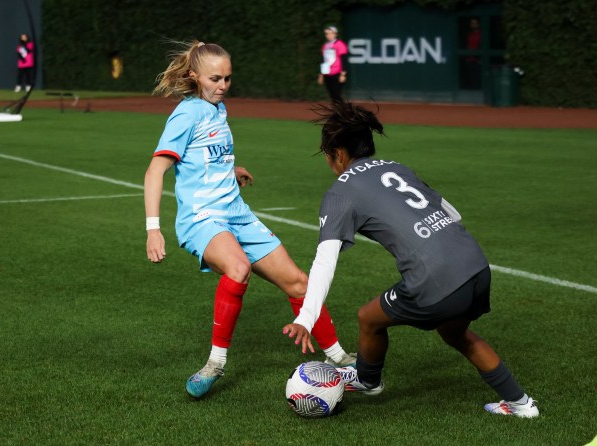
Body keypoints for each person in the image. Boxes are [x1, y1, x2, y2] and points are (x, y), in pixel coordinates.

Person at [283, 101, 539, 418]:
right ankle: (521, 404)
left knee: (368, 318)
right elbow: (451, 213)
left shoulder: (340, 191)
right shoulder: (396, 167)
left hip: (435, 280)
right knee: (456, 334)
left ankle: (367, 380)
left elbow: (324, 261)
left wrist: (305, 318)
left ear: (337, 153)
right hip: (476, 266)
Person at [144, 40, 355, 399]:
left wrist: (230, 169)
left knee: (300, 284)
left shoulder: (218, 109)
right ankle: (215, 363)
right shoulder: (186, 114)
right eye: (215, 78)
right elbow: (155, 171)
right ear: (194, 76)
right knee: (238, 268)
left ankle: (340, 359)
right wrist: (153, 230)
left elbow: (206, 155)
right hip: (201, 218)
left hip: (236, 213)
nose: (223, 85)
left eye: (227, 78)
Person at [318, 25, 348, 103]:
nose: (329, 35)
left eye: (331, 33)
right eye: (327, 33)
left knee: (336, 94)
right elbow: (323, 60)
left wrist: (343, 74)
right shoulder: (325, 46)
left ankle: (345, 111)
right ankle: (338, 112)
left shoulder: (340, 44)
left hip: (337, 73)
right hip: (328, 74)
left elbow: (343, 59)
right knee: (332, 95)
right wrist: (321, 74)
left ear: (335, 34)